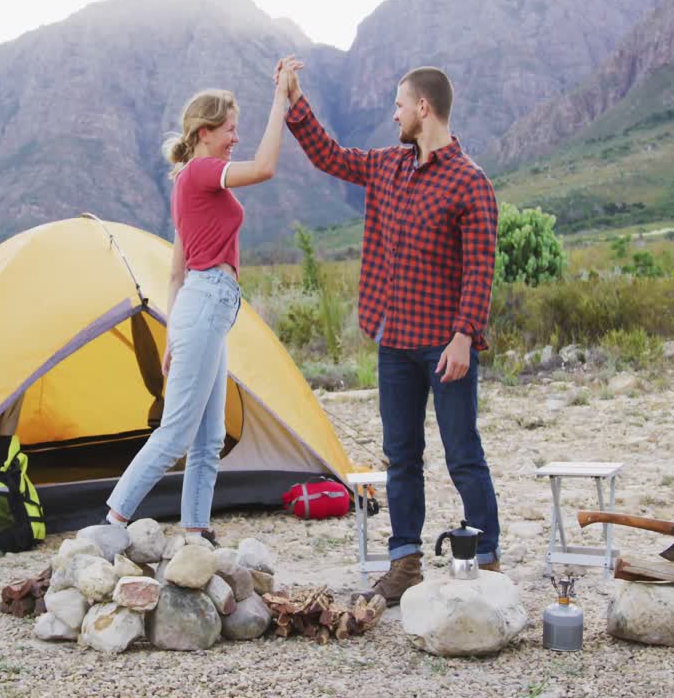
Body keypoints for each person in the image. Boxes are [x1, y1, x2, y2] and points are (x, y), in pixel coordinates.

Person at [278, 63, 501, 604]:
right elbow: (330, 156)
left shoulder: (471, 182)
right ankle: (405, 562)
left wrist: (464, 336)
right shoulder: (386, 165)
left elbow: (479, 269)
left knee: (462, 451)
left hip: (444, 345)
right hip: (395, 341)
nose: (394, 114)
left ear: (423, 108)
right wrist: (295, 101)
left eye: (400, 105)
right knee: (401, 456)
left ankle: (488, 557)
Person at [103, 58, 306, 543]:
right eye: (231, 129)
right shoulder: (200, 174)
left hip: (204, 306)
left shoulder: (186, 185)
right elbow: (265, 168)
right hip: (208, 301)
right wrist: (281, 100)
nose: (236, 137)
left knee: (209, 437)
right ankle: (110, 524)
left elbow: (175, 272)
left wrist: (174, 333)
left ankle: (196, 531)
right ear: (205, 132)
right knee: (176, 431)